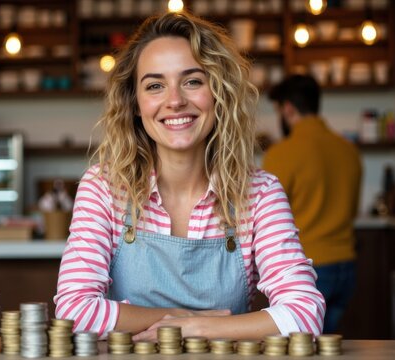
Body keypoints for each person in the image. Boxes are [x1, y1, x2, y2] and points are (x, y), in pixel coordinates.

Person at [54, 12, 325, 341]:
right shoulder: (104, 188)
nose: (175, 100)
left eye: (193, 81)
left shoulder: (260, 193)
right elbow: (73, 310)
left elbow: (304, 314)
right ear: (136, 103)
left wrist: (193, 327)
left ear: (217, 92)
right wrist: (175, 317)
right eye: (155, 85)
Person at [262, 74, 362, 333]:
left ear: (287, 108)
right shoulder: (348, 150)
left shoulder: (282, 154)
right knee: (328, 341)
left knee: (306, 347)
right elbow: (352, 210)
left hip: (309, 271)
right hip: (347, 266)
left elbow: (269, 221)